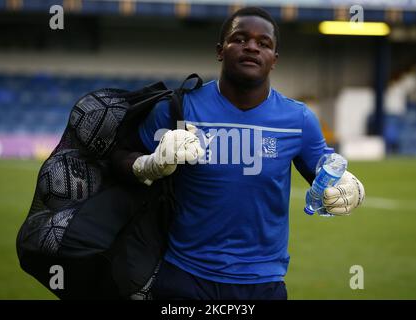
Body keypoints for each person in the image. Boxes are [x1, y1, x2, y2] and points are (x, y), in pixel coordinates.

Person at [115, 7, 365, 300]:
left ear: (274, 60)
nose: (252, 47)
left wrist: (349, 188)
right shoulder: (179, 109)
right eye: (240, 39)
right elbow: (119, 156)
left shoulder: (298, 120)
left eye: (264, 43)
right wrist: (148, 165)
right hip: (184, 276)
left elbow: (324, 175)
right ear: (220, 51)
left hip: (263, 282)